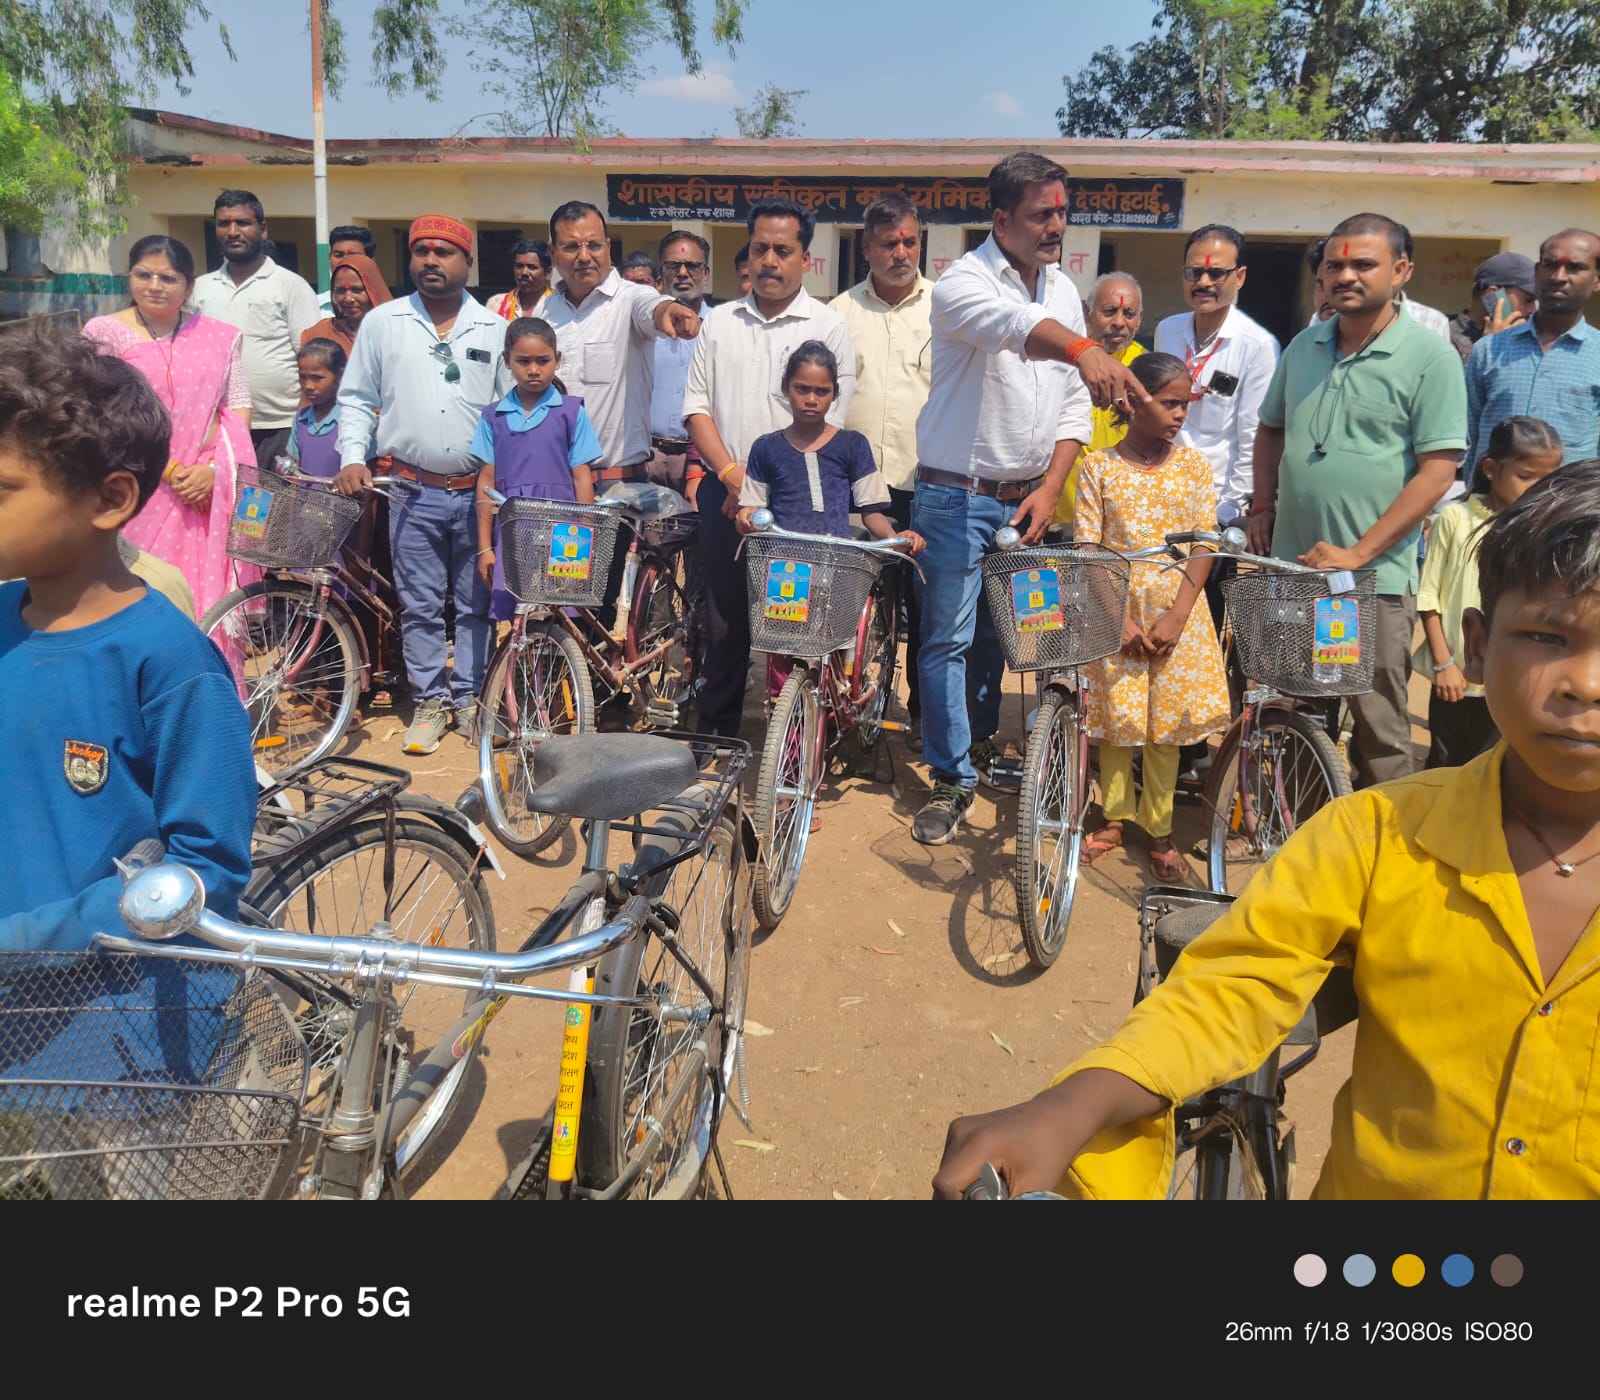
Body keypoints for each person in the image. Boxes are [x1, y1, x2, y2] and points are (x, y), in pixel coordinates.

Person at [935, 458, 1600, 1201]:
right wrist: (1073, 1104)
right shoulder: (1375, 834)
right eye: (1547, 637)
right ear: (1477, 644)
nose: (1585, 683)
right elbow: (1235, 985)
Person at [909, 151, 1147, 844]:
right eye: (1042, 214)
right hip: (956, 499)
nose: (1056, 226)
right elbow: (1014, 328)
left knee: (1022, 636)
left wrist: (1049, 486)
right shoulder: (963, 283)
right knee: (949, 641)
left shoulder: (1064, 292)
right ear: (1001, 219)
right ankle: (951, 776)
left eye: (1063, 213)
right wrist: (1084, 350)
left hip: (1027, 502)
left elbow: (1073, 405)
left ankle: (996, 746)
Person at [0, 323, 254, 952]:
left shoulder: (170, 663)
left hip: (108, 1000)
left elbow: (205, 868)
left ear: (110, 499)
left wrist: (26, 941)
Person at [1250, 211, 1467, 789]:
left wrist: (1357, 553)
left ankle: (1382, 837)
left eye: (1363, 264)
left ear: (1401, 271)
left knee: (1379, 729)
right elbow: (1270, 429)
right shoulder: (1304, 346)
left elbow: (1438, 471)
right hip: (1296, 569)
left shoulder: (1430, 356)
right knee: (1298, 716)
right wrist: (1263, 507)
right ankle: (1304, 831)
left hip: (1374, 581)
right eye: (1334, 265)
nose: (1345, 275)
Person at [682, 197, 858, 740]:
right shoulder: (719, 323)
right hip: (726, 494)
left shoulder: (828, 326)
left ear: (806, 258)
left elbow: (830, 424)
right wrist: (733, 479)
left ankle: (798, 749)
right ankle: (717, 738)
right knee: (724, 620)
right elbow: (697, 409)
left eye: (783, 250)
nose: (770, 261)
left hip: (798, 507)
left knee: (796, 626)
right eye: (760, 249)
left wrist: (760, 491)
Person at [334, 214, 504, 755]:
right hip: (410, 491)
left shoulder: (494, 328)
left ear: (467, 262)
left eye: (444, 251)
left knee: (477, 604)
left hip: (479, 494)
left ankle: (471, 699)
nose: (431, 260)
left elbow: (509, 412)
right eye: (422, 250)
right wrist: (352, 456)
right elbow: (356, 398)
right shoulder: (384, 323)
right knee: (420, 606)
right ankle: (430, 701)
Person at [1075, 354, 1230, 882]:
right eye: (1168, 403)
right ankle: (1115, 817)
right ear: (1130, 401)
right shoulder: (1098, 467)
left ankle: (1159, 827)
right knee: (1118, 721)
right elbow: (1090, 547)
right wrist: (1118, 620)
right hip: (1116, 609)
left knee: (1166, 727)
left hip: (1177, 613)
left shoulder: (1193, 467)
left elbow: (1205, 543)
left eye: (1184, 404)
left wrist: (1177, 616)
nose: (1179, 414)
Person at [737, 341, 924, 715]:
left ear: (835, 394)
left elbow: (871, 513)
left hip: (839, 566)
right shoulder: (766, 448)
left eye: (821, 391)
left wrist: (895, 538)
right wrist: (746, 517)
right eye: (802, 389)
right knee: (782, 655)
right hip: (786, 566)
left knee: (839, 651)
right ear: (786, 388)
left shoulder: (852, 445)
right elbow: (750, 507)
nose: (811, 399)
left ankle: (837, 718)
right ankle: (787, 730)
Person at [83, 235, 255, 620]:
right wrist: (169, 469)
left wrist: (213, 470)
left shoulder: (220, 336)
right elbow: (96, 411)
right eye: (144, 275)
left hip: (205, 491)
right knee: (135, 590)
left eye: (169, 278)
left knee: (202, 596)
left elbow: (238, 404)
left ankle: (203, 658)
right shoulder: (103, 333)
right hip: (135, 482)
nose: (155, 286)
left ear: (189, 286)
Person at [832, 194, 935, 745]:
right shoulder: (838, 314)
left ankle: (923, 717)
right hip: (855, 486)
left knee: (926, 607)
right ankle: (842, 711)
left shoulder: (944, 309)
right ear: (867, 248)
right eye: (889, 243)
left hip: (926, 481)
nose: (900, 253)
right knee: (850, 602)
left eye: (909, 242)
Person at [1417, 416, 1562, 770]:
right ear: (1491, 469)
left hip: (1510, 678)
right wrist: (1444, 664)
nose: (1538, 489)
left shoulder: (1544, 531)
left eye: (1548, 479)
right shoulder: (1455, 519)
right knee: (1446, 766)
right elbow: (1429, 596)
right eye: (1526, 476)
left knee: (1499, 768)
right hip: (1455, 678)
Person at [538, 201, 701, 489]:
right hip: (555, 483)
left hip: (618, 485)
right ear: (553, 253)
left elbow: (652, 307)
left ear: (608, 247)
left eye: (594, 245)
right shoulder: (544, 313)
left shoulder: (630, 298)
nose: (584, 257)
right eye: (572, 247)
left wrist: (669, 311)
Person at [472, 317, 604, 621]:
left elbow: (582, 477)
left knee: (561, 615)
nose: (533, 369)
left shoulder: (571, 412)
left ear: (557, 360)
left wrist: (585, 536)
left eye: (543, 361)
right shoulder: (492, 417)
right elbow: (486, 483)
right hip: (512, 531)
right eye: (523, 361)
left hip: (565, 532)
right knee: (516, 618)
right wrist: (484, 547)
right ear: (507, 361)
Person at [1152, 225, 1279, 531]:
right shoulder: (1167, 330)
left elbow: (1252, 437)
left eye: (1216, 273)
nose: (1204, 283)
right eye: (1194, 272)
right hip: (1159, 493)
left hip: (1217, 504)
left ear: (1240, 276)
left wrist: (1228, 512)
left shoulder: (1258, 346)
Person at [191, 189, 320, 466]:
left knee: (275, 496)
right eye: (224, 224)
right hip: (218, 425)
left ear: (263, 229)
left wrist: (303, 421)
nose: (232, 232)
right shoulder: (200, 288)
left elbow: (312, 357)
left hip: (281, 427)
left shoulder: (291, 286)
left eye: (242, 223)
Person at [1465, 228, 1600, 477]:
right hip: (1492, 499)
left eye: (1574, 268)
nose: (1559, 276)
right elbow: (1469, 435)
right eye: (1550, 265)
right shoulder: (1488, 349)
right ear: (1537, 272)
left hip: (1567, 499)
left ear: (1596, 280)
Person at [647, 229, 718, 500]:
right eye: (673, 266)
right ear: (661, 272)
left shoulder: (720, 327)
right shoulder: (642, 328)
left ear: (706, 273)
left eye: (692, 266)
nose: (683, 273)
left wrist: (698, 465)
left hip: (701, 463)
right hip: (646, 457)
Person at [1450, 251, 1537, 363]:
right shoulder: (1445, 336)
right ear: (1493, 294)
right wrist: (1491, 346)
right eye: (1528, 300)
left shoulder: (1526, 338)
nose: (1533, 310)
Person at [301, 253, 392, 357]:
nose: (348, 299)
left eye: (356, 290)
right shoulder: (318, 335)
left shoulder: (395, 332)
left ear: (375, 290)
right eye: (340, 290)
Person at [284, 339, 347, 479]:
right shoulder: (301, 419)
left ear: (340, 376)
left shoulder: (351, 420)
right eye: (302, 377)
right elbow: (292, 466)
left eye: (317, 378)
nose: (308, 386)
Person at [315, 225, 379, 315]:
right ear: (329, 258)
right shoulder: (314, 307)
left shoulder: (386, 308)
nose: (345, 261)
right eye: (338, 255)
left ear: (370, 260)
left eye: (353, 255)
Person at [487, 239, 553, 321]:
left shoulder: (558, 305)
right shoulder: (496, 304)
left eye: (532, 267)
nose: (524, 272)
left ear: (548, 272)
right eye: (519, 266)